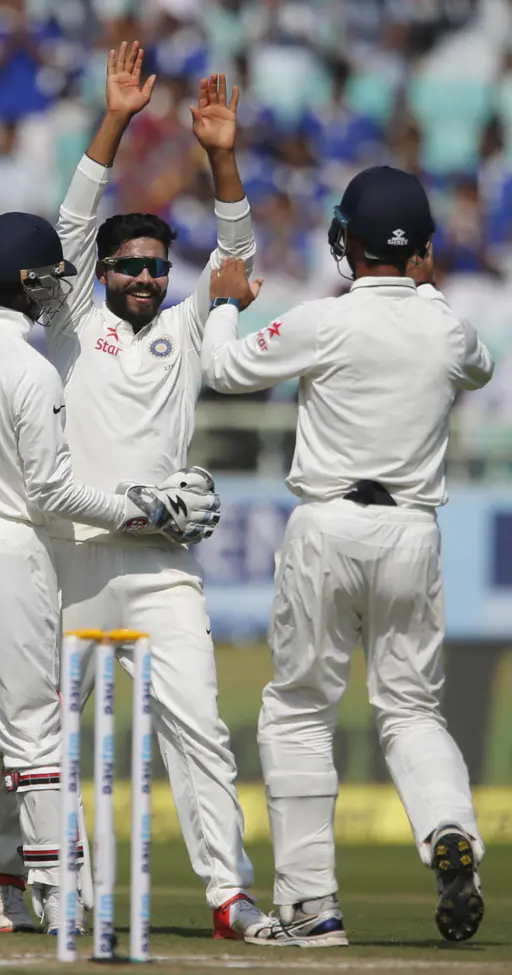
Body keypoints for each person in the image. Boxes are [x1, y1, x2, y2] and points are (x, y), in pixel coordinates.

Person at [0, 42, 272, 942]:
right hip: (70, 559)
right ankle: (0, 864)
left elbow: (237, 250)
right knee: (42, 736)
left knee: (200, 730)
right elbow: (66, 227)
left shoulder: (187, 324)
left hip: (164, 566)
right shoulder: (71, 318)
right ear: (101, 275)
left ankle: (228, 893)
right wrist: (115, 120)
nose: (143, 277)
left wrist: (221, 155)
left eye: (153, 268)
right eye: (129, 266)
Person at [0, 210, 220, 934]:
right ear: (30, 281)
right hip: (3, 547)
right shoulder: (31, 371)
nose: (55, 291)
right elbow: (51, 492)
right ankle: (57, 886)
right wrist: (144, 509)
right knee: (35, 727)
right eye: (50, 279)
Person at [199, 166, 494, 947]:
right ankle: (447, 831)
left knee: (298, 708)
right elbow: (482, 366)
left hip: (327, 524)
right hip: (412, 531)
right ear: (422, 250)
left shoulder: (323, 320)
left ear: (348, 244)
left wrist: (225, 305)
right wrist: (425, 290)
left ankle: (311, 904)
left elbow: (221, 369)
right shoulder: (446, 326)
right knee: (412, 710)